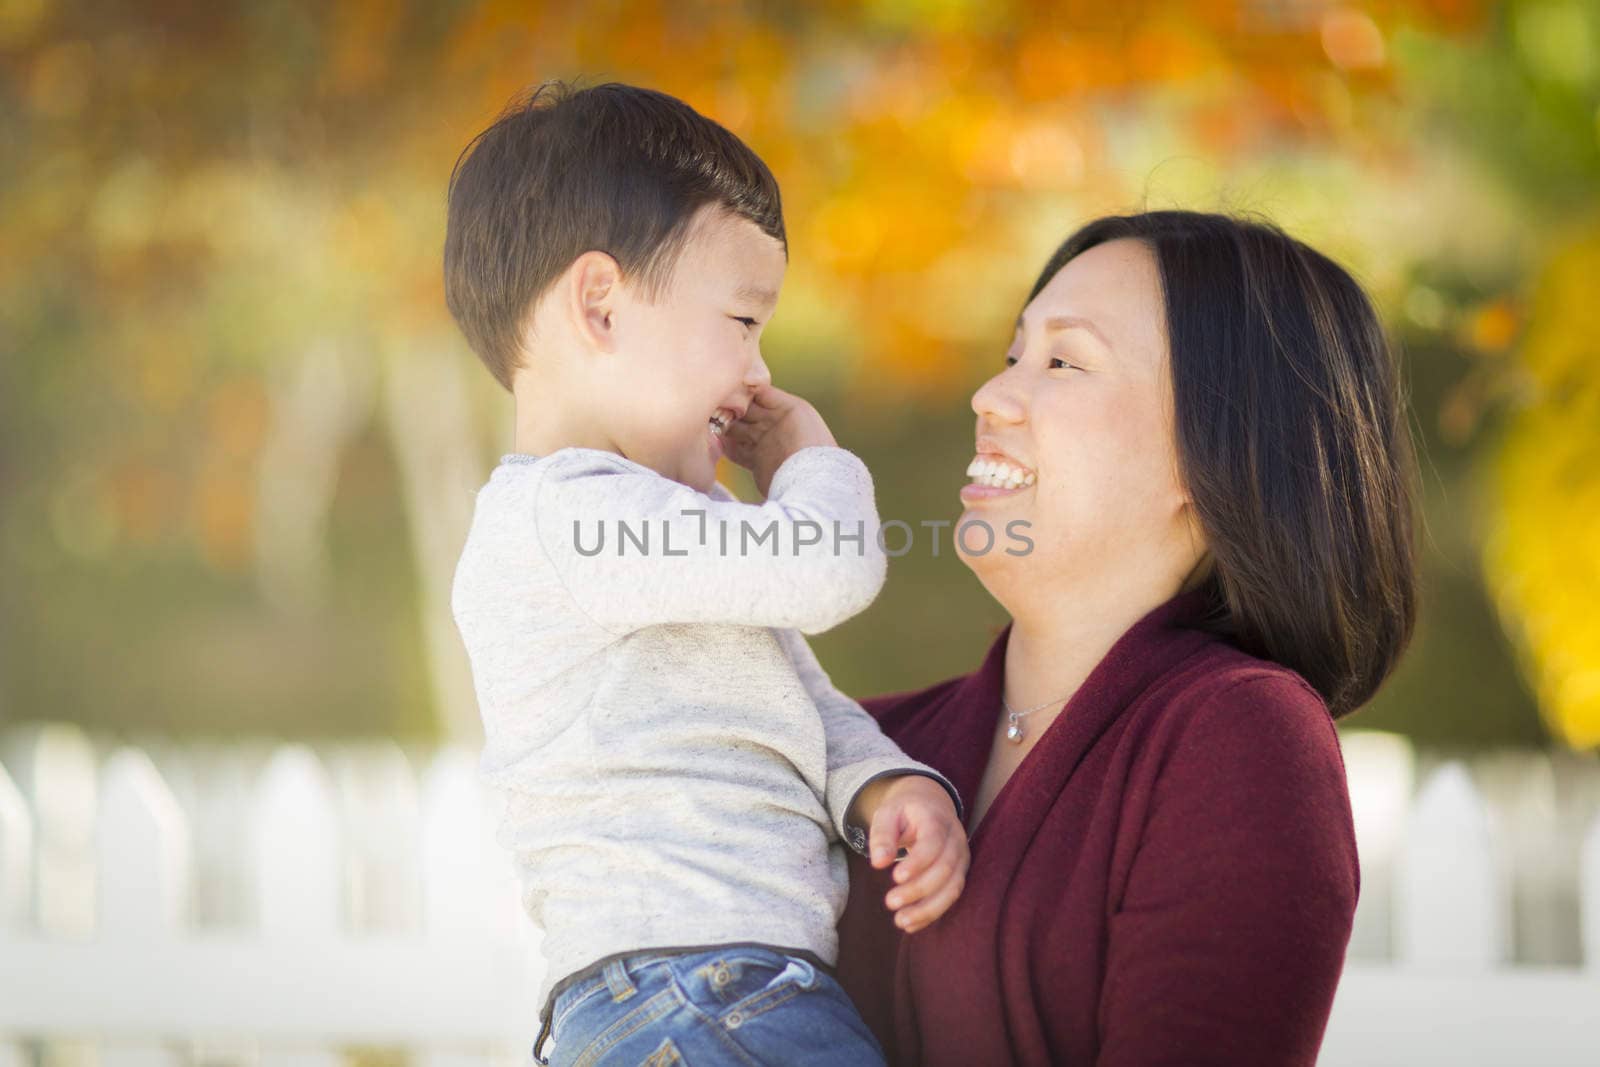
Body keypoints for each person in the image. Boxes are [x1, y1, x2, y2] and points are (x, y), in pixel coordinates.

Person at [443, 82, 969, 1067]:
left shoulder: (669, 527)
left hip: (713, 992)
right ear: (599, 304)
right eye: (740, 319)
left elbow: (796, 700)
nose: (758, 373)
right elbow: (827, 568)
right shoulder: (562, 519)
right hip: (688, 989)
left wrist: (880, 780)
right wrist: (810, 456)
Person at [835, 210, 1419, 1066]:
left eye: (1064, 361)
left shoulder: (1241, 740)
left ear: (1216, 449)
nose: (989, 397)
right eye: (1011, 357)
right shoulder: (862, 744)